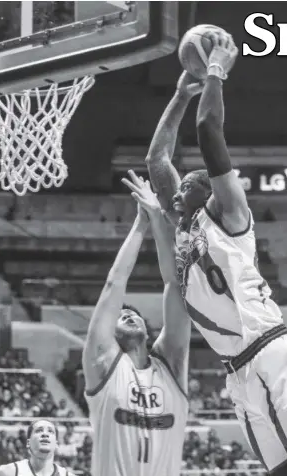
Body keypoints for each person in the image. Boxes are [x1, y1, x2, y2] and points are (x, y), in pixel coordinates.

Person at [143, 31, 287, 476]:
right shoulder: (186, 229)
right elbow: (157, 161)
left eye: (187, 185)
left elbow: (208, 130)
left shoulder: (230, 217)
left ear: (209, 191)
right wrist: (178, 96)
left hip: (275, 351)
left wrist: (215, 73)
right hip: (238, 373)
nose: (176, 193)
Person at [82, 176, 191, 476]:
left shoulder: (171, 364)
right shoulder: (104, 363)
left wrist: (156, 217)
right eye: (122, 315)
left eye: (135, 314)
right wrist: (139, 226)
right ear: (111, 336)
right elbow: (114, 284)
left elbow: (174, 284)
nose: (129, 315)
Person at [0, 420, 70, 476]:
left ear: (56, 443)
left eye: (50, 431)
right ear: (28, 442)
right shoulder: (6, 472)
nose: (45, 434)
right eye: (39, 431)